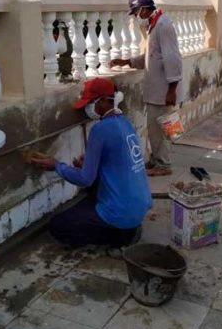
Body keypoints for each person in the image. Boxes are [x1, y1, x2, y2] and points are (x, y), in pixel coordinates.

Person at [27, 78, 152, 248]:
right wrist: (88, 166)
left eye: (90, 103)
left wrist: (56, 165)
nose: (87, 109)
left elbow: (86, 179)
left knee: (58, 225)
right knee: (89, 199)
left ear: (102, 101)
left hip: (121, 212)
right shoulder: (125, 123)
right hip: (139, 206)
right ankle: (127, 229)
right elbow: (116, 162)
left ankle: (118, 238)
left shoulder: (100, 130)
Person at [110, 0, 182, 177]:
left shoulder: (163, 25)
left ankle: (163, 164)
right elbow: (151, 57)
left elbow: (172, 58)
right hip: (157, 89)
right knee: (155, 128)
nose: (135, 16)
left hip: (163, 91)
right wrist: (127, 62)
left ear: (143, 9)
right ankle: (157, 159)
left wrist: (171, 90)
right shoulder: (154, 25)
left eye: (135, 12)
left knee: (159, 129)